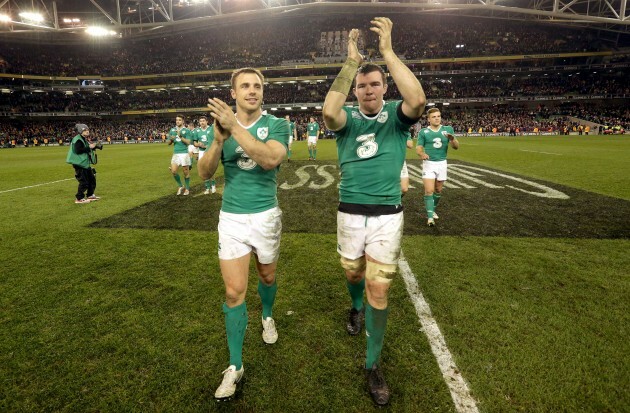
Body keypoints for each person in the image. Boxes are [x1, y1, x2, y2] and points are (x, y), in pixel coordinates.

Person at [322, 18, 426, 406]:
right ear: (357, 90)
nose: (367, 90)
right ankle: (354, 307)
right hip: (349, 214)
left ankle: (373, 364)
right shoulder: (347, 121)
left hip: (386, 216)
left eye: (374, 84)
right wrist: (351, 64)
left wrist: (387, 53)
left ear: (384, 88)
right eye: (362, 86)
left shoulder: (397, 117)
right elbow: (329, 111)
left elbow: (418, 100)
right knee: (353, 272)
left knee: (379, 291)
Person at [198, 67, 289, 401]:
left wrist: (233, 128)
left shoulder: (278, 124)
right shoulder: (222, 129)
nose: (253, 90)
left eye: (258, 86)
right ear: (233, 93)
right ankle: (235, 366)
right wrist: (218, 141)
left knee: (266, 277)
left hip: (266, 216)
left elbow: (269, 159)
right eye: (245, 86)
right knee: (234, 292)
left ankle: (267, 315)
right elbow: (206, 172)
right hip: (232, 218)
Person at [416, 107, 459, 226]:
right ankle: (430, 218)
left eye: (438, 116)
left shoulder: (448, 130)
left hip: (442, 163)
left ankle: (432, 209)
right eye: (434, 117)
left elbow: (456, 146)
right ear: (429, 119)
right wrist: (421, 153)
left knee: (438, 190)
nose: (437, 118)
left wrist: (452, 139)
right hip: (429, 163)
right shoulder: (424, 132)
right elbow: (419, 147)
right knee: (429, 190)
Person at [66, 123, 101, 204]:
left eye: (88, 130)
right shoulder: (78, 139)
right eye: (85, 130)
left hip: (84, 163)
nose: (87, 131)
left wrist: (94, 146)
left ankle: (90, 195)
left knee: (92, 179)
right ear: (80, 131)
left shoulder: (82, 138)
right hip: (79, 163)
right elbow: (78, 150)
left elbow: (86, 148)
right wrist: (89, 147)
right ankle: (79, 198)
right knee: (84, 182)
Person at [167, 114, 193, 196]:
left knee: (185, 172)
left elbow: (188, 142)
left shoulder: (187, 130)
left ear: (183, 121)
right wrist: (171, 139)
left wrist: (180, 136)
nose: (177, 121)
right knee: (174, 171)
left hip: (184, 153)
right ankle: (180, 186)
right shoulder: (172, 130)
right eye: (176, 120)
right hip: (176, 153)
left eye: (179, 120)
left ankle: (187, 188)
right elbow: (169, 143)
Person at [192, 115, 217, 194]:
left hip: (210, 151)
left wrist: (207, 146)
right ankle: (207, 187)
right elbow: (195, 143)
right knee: (203, 169)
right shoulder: (197, 131)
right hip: (201, 152)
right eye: (200, 121)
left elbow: (216, 140)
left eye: (203, 121)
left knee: (210, 169)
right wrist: (199, 145)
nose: (202, 122)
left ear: (207, 121)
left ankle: (213, 185)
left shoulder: (211, 129)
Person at [400, 130, 414, 195]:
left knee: (404, 188)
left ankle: (396, 203)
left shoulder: (404, 130)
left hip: (400, 161)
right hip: (384, 161)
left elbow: (410, 145)